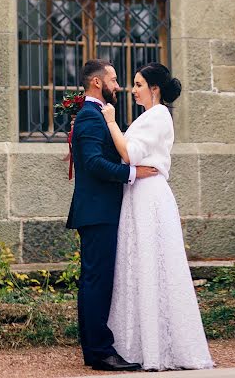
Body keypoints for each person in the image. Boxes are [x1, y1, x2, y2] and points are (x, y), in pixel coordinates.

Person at [101, 62, 214, 371]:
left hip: (150, 197)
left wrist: (111, 122)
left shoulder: (158, 115)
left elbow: (129, 154)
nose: (133, 89)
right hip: (140, 194)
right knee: (138, 265)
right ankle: (139, 343)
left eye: (138, 84)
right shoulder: (148, 116)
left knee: (153, 264)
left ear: (155, 88)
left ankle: (158, 347)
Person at [66, 59, 158, 372]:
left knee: (98, 281)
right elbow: (92, 163)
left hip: (100, 212)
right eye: (114, 80)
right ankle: (100, 351)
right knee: (96, 282)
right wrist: (133, 172)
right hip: (97, 213)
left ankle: (97, 349)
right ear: (97, 83)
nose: (118, 86)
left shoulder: (94, 114)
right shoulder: (91, 116)